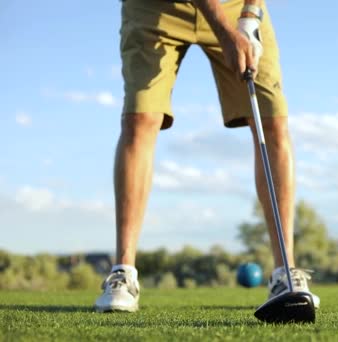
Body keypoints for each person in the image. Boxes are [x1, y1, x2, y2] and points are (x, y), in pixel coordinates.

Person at [95, 0, 319, 313]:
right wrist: (226, 32)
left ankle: (286, 273)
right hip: (153, 8)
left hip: (235, 7)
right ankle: (123, 273)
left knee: (272, 121)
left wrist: (250, 15)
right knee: (140, 118)